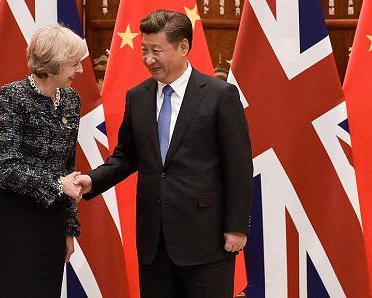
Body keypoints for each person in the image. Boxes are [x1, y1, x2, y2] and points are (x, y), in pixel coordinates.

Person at [75, 10, 253, 297]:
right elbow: (126, 156)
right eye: (144, 50)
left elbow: (239, 166)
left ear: (183, 47)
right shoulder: (138, 96)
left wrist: (236, 227)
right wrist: (92, 181)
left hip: (206, 240)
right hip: (154, 243)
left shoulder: (220, 95)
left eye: (156, 51)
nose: (148, 59)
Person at [0, 24, 86, 297]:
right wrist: (57, 184)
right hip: (13, 214)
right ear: (54, 65)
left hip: (51, 214)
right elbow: (6, 167)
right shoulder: (11, 97)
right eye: (74, 64)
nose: (81, 71)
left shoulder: (71, 100)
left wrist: (68, 229)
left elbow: (67, 167)